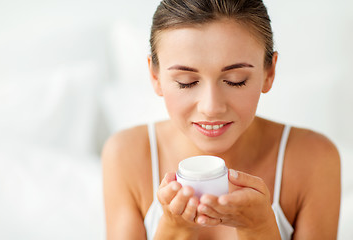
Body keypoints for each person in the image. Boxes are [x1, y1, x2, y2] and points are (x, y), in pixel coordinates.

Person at [102, 0, 341, 239]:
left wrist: (259, 229)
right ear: (155, 76)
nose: (211, 107)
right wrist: (175, 229)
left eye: (236, 80)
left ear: (269, 72)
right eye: (186, 81)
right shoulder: (127, 155)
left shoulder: (314, 158)